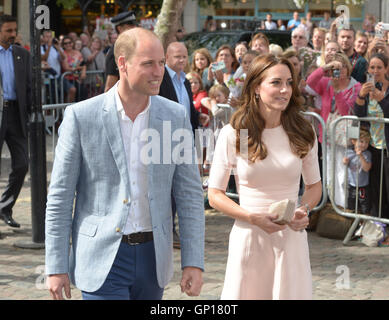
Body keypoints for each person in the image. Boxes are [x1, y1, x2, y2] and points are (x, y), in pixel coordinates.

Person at [45, 27, 205, 300]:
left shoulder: (174, 117)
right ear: (122, 63)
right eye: (148, 64)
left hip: (154, 258)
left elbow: (189, 193)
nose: (159, 72)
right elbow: (60, 196)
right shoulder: (81, 117)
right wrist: (56, 266)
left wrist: (193, 261)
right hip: (102, 257)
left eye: (161, 63)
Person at [207, 54, 322, 299]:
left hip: (291, 239)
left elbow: (314, 186)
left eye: (289, 83)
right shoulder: (235, 133)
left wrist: (304, 209)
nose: (285, 90)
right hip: (249, 236)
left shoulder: (303, 131)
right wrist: (252, 217)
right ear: (257, 87)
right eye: (276, 82)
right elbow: (215, 194)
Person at [158, 41, 209, 249]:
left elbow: (186, 107)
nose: (182, 60)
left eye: (184, 56)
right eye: (177, 56)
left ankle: (175, 228)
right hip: (164, 139)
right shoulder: (160, 79)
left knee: (183, 184)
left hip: (187, 139)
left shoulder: (185, 81)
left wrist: (199, 118)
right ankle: (166, 230)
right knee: (167, 186)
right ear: (167, 58)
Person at [307, 52, 361, 208]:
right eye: (336, 67)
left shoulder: (355, 86)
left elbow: (346, 112)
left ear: (348, 68)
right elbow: (310, 82)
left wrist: (337, 92)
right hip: (328, 135)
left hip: (345, 138)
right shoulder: (326, 82)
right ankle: (332, 207)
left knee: (342, 175)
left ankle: (342, 207)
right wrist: (324, 68)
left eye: (343, 66)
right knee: (329, 173)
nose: (340, 70)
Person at [0, 15, 31, 228]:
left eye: (14, 30)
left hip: (16, 115)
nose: (13, 34)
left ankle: (4, 207)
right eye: (8, 31)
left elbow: (29, 86)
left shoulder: (22, 54)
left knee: (22, 164)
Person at [354, 53, 389, 219]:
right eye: (372, 67)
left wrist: (382, 99)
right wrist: (361, 96)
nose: (375, 71)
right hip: (375, 146)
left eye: (379, 67)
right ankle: (381, 225)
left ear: (386, 69)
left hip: (387, 147)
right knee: (377, 189)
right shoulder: (367, 88)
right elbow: (360, 116)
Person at [104, 11, 138, 92]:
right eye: (130, 25)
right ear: (119, 28)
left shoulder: (131, 47)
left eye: (134, 24)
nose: (134, 28)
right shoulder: (116, 51)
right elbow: (109, 87)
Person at [342, 128, 372, 214]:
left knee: (364, 205)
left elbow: (366, 168)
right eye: (361, 141)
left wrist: (361, 156)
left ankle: (364, 222)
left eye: (366, 142)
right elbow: (345, 163)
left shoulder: (367, 154)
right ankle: (351, 221)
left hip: (363, 186)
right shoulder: (349, 152)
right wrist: (345, 162)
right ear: (353, 141)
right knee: (351, 203)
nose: (364, 144)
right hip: (352, 184)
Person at [41, 30, 66, 104]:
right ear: (43, 38)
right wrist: (48, 47)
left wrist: (58, 47)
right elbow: (43, 58)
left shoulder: (56, 47)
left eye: (50, 37)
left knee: (58, 95)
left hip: (57, 76)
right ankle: (51, 112)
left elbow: (63, 58)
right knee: (49, 96)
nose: (49, 39)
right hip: (47, 76)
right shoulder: (41, 47)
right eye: (47, 37)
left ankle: (58, 112)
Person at [61, 36, 86, 103]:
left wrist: (83, 72)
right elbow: (66, 68)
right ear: (63, 45)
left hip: (76, 78)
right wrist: (77, 68)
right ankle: (67, 108)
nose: (68, 45)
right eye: (65, 43)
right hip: (66, 78)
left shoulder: (78, 53)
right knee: (72, 90)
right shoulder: (63, 54)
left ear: (72, 43)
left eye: (69, 42)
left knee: (81, 94)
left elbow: (83, 64)